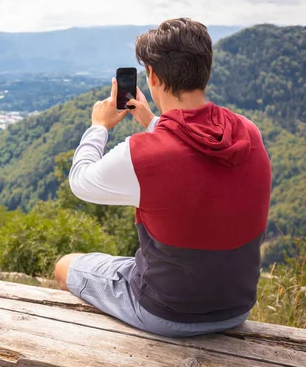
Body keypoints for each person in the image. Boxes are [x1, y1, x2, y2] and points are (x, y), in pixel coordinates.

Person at [54, 18, 272, 337]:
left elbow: (80, 181)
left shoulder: (144, 153)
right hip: (236, 309)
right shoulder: (247, 131)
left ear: (152, 75)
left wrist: (99, 125)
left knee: (64, 265)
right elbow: (193, 149)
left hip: (166, 311)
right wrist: (151, 120)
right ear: (204, 69)